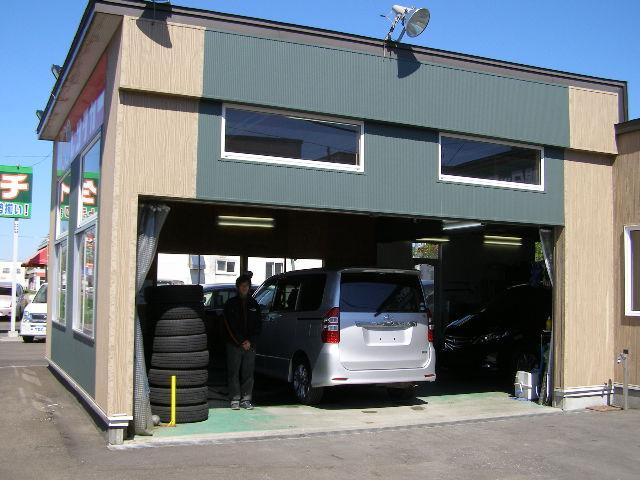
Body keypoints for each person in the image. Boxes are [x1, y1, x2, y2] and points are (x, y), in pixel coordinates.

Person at [223, 274, 261, 410]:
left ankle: (246, 399)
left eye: (247, 286)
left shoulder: (254, 305)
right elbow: (229, 325)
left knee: (248, 373)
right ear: (238, 287)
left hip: (250, 346)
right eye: (242, 286)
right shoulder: (230, 304)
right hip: (234, 345)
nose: (245, 288)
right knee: (233, 372)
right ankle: (234, 399)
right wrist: (241, 341)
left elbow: (258, 326)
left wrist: (250, 341)